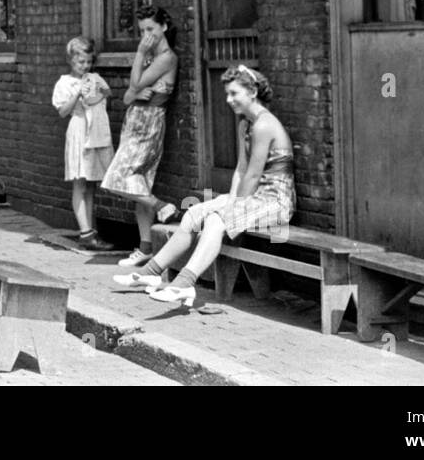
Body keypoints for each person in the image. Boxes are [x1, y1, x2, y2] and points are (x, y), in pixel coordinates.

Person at [113, 65, 295, 308]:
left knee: (216, 220)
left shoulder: (264, 125)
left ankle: (185, 284)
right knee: (193, 213)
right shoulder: (245, 124)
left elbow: (252, 176)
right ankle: (151, 271)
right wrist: (231, 200)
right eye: (228, 94)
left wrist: (232, 209)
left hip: (276, 200)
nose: (229, 100)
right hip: (254, 197)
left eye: (234, 93)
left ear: (252, 92)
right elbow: (241, 169)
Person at [99, 6, 179, 268]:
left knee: (117, 178)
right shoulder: (149, 59)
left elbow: (134, 85)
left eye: (150, 30)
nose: (146, 36)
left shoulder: (165, 57)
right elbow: (127, 96)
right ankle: (145, 247)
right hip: (134, 120)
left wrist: (140, 54)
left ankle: (162, 206)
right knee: (139, 185)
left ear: (163, 28)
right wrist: (135, 92)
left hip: (149, 122)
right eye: (142, 31)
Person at [53, 37, 115, 252]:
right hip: (79, 130)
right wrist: (78, 93)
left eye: (88, 62)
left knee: (91, 183)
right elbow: (62, 112)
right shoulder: (65, 83)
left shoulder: (94, 78)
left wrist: (101, 90)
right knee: (79, 181)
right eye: (81, 63)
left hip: (95, 132)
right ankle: (85, 232)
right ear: (71, 61)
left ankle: (90, 232)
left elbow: (107, 99)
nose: (85, 66)